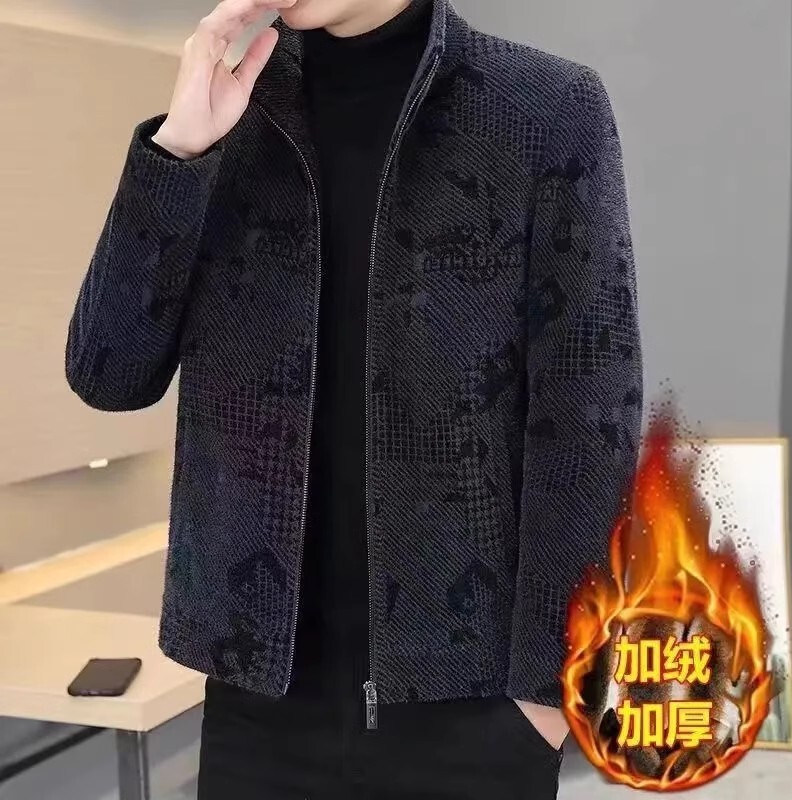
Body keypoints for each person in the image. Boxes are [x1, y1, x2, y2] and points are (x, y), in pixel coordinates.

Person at [65, 0, 642, 796]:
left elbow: (589, 419)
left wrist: (547, 695)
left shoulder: (542, 107)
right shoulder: (236, 111)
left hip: (470, 709)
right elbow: (107, 375)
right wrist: (179, 148)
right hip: (258, 706)